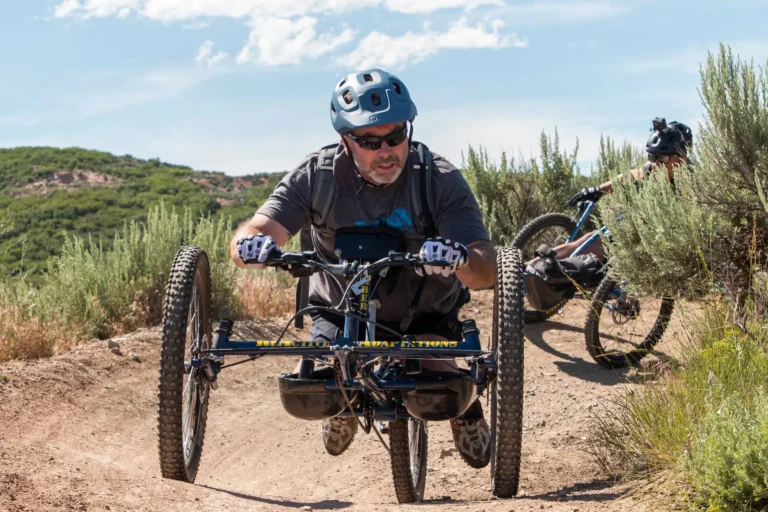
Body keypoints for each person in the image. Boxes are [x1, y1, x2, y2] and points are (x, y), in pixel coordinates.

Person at [229, 69, 497, 468]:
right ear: (345, 140)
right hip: (339, 313)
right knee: (319, 388)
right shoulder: (317, 175)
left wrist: (459, 258)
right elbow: (255, 231)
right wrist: (252, 245)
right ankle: (347, 403)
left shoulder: (437, 179)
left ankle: (466, 410)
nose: (386, 150)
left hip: (424, 316)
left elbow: (487, 267)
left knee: (439, 390)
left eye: (396, 136)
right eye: (370, 142)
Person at [552, 117, 694, 261]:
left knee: (597, 245)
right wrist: (597, 191)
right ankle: (534, 266)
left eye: (663, 159)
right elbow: (630, 175)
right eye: (653, 157)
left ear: (682, 157)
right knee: (590, 238)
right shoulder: (652, 168)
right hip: (633, 224)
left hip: (655, 241)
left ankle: (552, 270)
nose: (656, 164)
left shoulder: (695, 181)